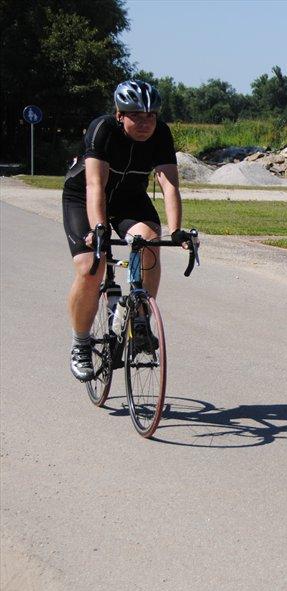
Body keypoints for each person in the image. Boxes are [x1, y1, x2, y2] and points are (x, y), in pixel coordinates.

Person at [62, 79, 191, 381]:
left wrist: (176, 230)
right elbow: (95, 185)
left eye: (151, 116)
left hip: (129, 199)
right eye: (136, 116)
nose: (145, 123)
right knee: (91, 267)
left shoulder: (161, 134)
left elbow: (169, 185)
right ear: (120, 115)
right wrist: (99, 228)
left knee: (149, 243)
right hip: (84, 198)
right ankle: (81, 344)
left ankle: (141, 321)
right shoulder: (103, 129)